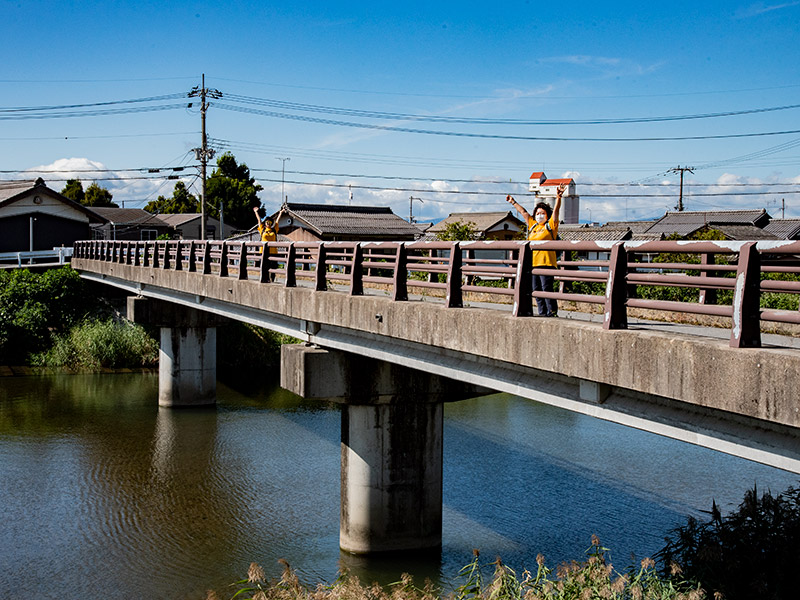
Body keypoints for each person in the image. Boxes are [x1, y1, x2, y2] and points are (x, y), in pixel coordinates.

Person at [506, 183, 565, 317]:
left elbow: (556, 212)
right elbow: (524, 213)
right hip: (533, 263)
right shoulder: (533, 226)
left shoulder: (550, 226)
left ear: (547, 215)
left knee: (546, 289)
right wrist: (513, 202)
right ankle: (542, 313)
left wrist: (558, 197)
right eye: (537, 213)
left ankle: (552, 312)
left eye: (542, 213)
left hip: (547, 263)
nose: (539, 215)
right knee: (536, 290)